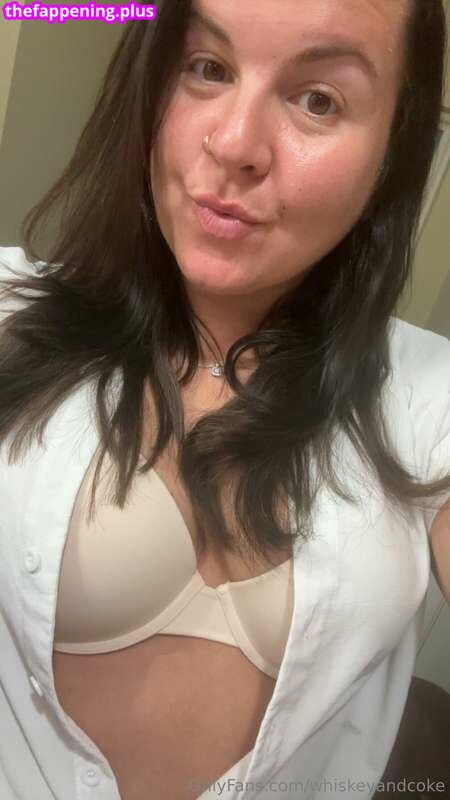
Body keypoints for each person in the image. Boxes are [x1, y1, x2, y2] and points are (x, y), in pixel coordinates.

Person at [0, 0, 449, 798]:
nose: (235, 144)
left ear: (393, 147)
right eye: (207, 67)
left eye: (319, 100)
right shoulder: (13, 310)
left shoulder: (426, 395)